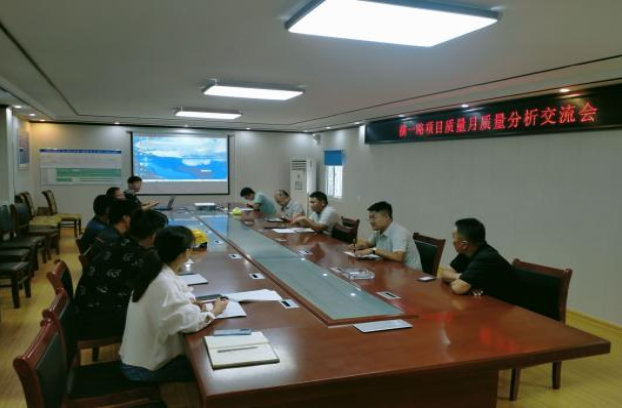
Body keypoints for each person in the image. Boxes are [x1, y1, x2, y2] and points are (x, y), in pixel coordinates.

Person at [119, 226, 228, 383]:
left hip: (137, 359)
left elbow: (180, 293)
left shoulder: (157, 271)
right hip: (142, 369)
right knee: (208, 367)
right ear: (186, 252)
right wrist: (215, 311)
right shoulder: (162, 282)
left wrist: (190, 301)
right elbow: (189, 324)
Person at [74, 209, 168, 339]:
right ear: (154, 236)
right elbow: (154, 287)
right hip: (98, 320)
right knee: (163, 317)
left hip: (87, 309)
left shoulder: (120, 241)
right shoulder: (136, 256)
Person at [440, 218, 516, 303]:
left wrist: (464, 282)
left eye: (453, 237)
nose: (452, 241)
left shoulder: (485, 257)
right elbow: (444, 274)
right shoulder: (468, 251)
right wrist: (459, 277)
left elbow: (457, 288)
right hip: (488, 301)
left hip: (510, 306)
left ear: (464, 244)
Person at [351, 201, 422, 270]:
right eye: (370, 218)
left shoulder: (399, 232)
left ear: (386, 217)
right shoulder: (379, 230)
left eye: (373, 217)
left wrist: (373, 250)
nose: (371, 221)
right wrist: (358, 246)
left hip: (411, 274)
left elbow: (398, 257)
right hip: (391, 269)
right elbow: (369, 244)